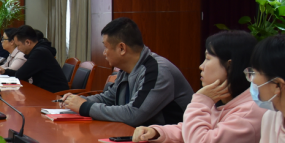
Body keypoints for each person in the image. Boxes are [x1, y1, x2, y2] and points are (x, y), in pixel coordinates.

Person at [132, 31, 264, 143]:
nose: (201, 66)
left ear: (229, 66)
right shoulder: (227, 100)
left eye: (207, 59)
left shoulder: (250, 111)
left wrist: (201, 100)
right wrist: (157, 132)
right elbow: (193, 130)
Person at [63, 18, 194, 125]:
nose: (104, 53)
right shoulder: (126, 70)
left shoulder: (157, 71)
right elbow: (108, 98)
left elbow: (134, 114)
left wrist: (84, 107)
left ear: (122, 48)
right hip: (140, 136)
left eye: (106, 47)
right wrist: (77, 100)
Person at [3, 25, 69, 92]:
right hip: (43, 91)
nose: (18, 49)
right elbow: (20, 73)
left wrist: (6, 71)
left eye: (18, 45)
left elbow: (20, 75)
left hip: (55, 94)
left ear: (28, 42)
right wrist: (4, 71)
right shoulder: (38, 50)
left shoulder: (39, 53)